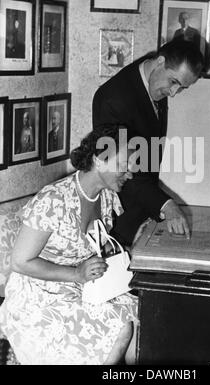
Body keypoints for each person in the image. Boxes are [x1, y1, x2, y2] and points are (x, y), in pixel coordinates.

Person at [0, 125, 138, 365]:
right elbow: (20, 262)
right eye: (124, 166)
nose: (131, 173)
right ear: (99, 159)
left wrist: (117, 256)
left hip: (80, 286)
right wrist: (77, 273)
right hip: (38, 293)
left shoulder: (106, 196)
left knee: (141, 317)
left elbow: (94, 246)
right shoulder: (53, 199)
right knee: (121, 328)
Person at [93, 39, 205, 247]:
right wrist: (166, 205)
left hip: (143, 213)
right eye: (174, 82)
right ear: (160, 61)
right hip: (119, 218)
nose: (173, 93)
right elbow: (117, 169)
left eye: (182, 88)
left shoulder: (153, 81)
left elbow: (148, 157)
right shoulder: (113, 99)